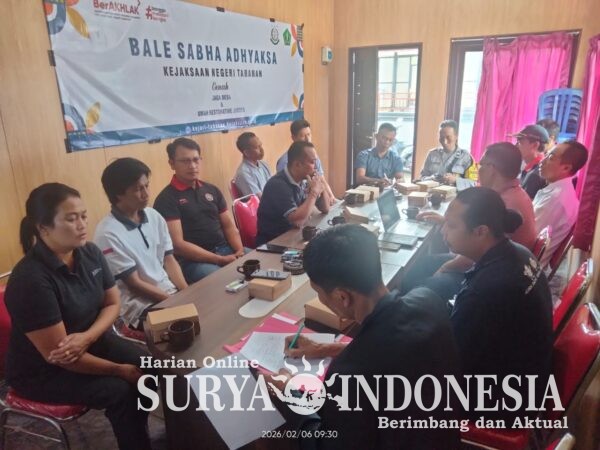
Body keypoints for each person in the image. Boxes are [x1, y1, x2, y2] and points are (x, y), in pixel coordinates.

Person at [271, 225, 461, 449]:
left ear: (342, 297)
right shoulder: (429, 301)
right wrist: (324, 348)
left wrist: (291, 393)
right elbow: (392, 350)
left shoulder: (350, 375)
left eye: (319, 292)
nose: (320, 298)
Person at [4, 183, 155, 450]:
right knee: (120, 390)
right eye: (71, 218)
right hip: (43, 371)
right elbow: (63, 357)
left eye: (83, 216)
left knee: (151, 366)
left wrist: (88, 337)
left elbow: (112, 303)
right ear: (43, 227)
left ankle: (147, 434)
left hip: (89, 341)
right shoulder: (31, 280)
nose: (82, 224)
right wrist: (119, 370)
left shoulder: (89, 252)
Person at [444, 187, 552, 421]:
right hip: (528, 379)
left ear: (480, 231)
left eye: (451, 226)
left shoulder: (485, 291)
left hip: (503, 401)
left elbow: (450, 360)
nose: (443, 232)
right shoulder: (520, 253)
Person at [94, 158, 188, 330]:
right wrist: (175, 302)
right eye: (138, 189)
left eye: (147, 186)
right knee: (187, 327)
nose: (146, 194)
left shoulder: (153, 216)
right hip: (139, 306)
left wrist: (187, 293)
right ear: (118, 194)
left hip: (168, 292)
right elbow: (134, 284)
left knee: (209, 308)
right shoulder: (107, 233)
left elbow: (169, 260)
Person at [154, 137, 246, 283]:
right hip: (193, 262)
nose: (192, 166)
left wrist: (239, 251)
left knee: (260, 260)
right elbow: (178, 245)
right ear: (172, 163)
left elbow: (229, 226)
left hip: (226, 250)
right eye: (185, 161)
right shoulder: (166, 199)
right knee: (226, 280)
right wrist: (219, 260)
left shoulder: (212, 190)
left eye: (196, 160)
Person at [257, 141, 332, 245]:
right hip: (273, 243)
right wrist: (314, 193)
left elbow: (325, 208)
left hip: (293, 236)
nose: (316, 167)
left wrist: (321, 187)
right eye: (312, 162)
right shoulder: (277, 185)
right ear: (297, 164)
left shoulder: (304, 179)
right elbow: (298, 221)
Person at [534, 140, 588, 267]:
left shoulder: (556, 199)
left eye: (550, 158)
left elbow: (528, 239)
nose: (542, 161)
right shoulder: (558, 191)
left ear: (566, 168)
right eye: (546, 155)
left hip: (526, 265)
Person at [276, 119, 336, 204]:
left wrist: (331, 196)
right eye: (303, 136)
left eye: (309, 134)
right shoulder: (285, 161)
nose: (307, 139)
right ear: (293, 138)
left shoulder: (313, 155)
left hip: (314, 201)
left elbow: (321, 179)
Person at [420, 120, 473, 185]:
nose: (445, 141)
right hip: (432, 191)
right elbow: (422, 178)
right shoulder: (432, 154)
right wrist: (432, 178)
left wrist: (456, 181)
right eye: (441, 137)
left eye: (448, 137)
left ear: (456, 136)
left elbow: (473, 183)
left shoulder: (466, 157)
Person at [512, 124, 549, 199]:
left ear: (535, 145)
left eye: (520, 142)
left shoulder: (535, 175)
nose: (516, 146)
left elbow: (524, 203)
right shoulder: (532, 168)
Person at [232, 131, 272, 198]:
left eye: (261, 145)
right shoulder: (243, 173)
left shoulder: (264, 164)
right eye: (257, 147)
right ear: (247, 153)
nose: (261, 149)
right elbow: (259, 198)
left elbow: (274, 187)